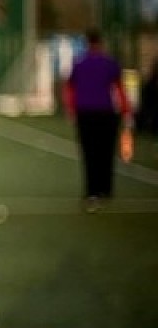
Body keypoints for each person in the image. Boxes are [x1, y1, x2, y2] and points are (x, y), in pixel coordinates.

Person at [62, 28, 134, 211]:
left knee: (89, 152)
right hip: (106, 113)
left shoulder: (79, 64)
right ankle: (105, 188)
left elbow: (70, 88)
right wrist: (126, 110)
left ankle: (91, 190)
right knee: (106, 152)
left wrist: (71, 109)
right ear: (101, 43)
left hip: (85, 113)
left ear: (87, 43)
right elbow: (119, 88)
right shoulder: (110, 63)